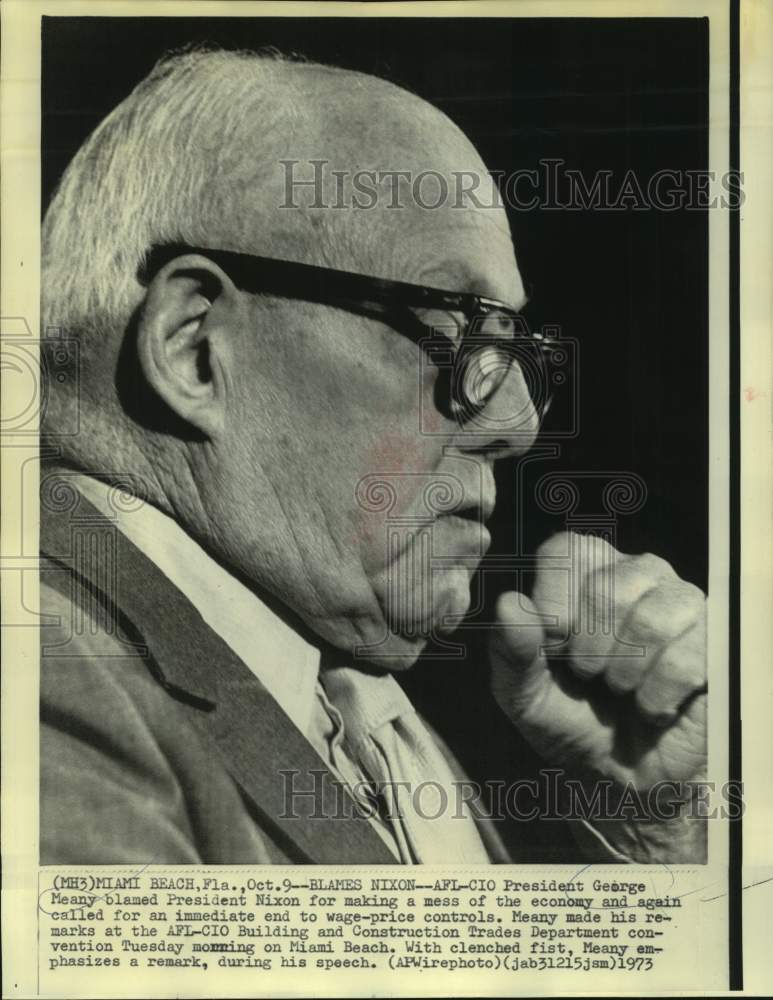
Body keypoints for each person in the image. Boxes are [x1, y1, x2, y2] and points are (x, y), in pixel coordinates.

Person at [40, 48, 707, 864]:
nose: (518, 421)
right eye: (455, 333)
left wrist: (647, 831)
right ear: (195, 349)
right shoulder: (46, 683)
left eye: (512, 349)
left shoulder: (342, 702)